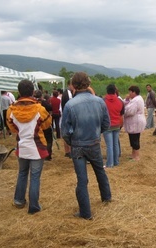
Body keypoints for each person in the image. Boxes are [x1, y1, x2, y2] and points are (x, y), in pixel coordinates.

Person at [61, 72, 111, 220]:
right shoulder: (100, 102)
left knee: (82, 180)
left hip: (78, 146)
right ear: (88, 84)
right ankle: (106, 197)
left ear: (73, 86)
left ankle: (85, 213)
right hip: (94, 142)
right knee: (100, 172)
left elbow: (64, 131)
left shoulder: (70, 105)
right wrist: (96, 134)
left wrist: (72, 142)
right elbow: (106, 124)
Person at [6, 79, 52, 214]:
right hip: (37, 147)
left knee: (22, 173)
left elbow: (13, 128)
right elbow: (47, 124)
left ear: (19, 92)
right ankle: (34, 206)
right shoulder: (39, 109)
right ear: (32, 91)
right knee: (35, 176)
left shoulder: (11, 110)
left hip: (22, 146)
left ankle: (19, 200)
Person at [103, 84, 124, 168]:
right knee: (115, 144)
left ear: (107, 91)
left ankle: (109, 163)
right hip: (117, 125)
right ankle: (116, 162)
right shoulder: (120, 101)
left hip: (107, 125)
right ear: (115, 91)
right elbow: (121, 114)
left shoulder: (103, 101)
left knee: (109, 145)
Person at [124, 85, 146, 161]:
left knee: (135, 139)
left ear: (134, 92)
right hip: (135, 121)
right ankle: (133, 154)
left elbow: (131, 111)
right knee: (133, 139)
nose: (129, 93)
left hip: (135, 122)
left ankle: (137, 156)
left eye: (130, 92)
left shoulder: (136, 100)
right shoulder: (136, 99)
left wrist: (124, 111)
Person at [34, 90, 53, 161]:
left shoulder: (33, 103)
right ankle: (48, 155)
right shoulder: (44, 103)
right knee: (48, 140)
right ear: (41, 96)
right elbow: (50, 108)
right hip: (45, 123)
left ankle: (40, 154)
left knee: (39, 140)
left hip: (37, 125)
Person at [61, 80, 75, 157]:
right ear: (69, 84)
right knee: (69, 133)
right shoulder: (68, 94)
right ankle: (68, 151)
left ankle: (67, 151)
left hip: (66, 115)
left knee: (67, 133)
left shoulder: (65, 93)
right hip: (68, 116)